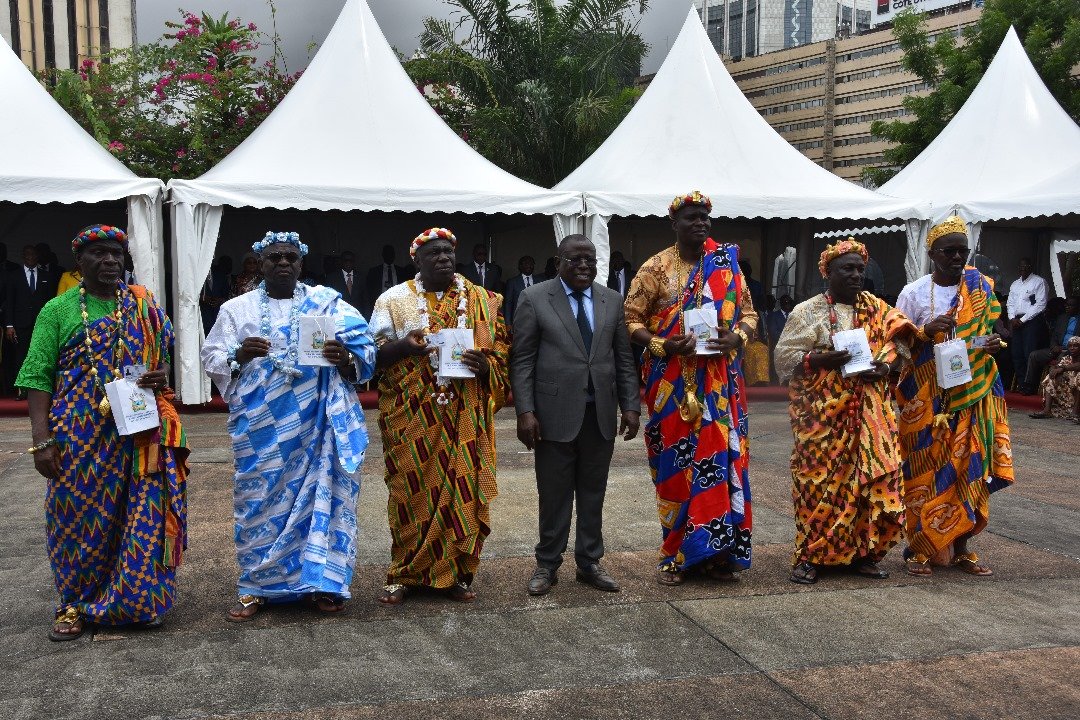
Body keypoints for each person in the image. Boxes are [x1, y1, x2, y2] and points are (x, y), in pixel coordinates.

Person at [17, 224, 187, 640]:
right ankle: (74, 603)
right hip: (78, 435)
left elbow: (164, 364)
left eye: (116, 254)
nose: (110, 261)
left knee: (140, 515)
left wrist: (159, 375)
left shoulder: (144, 309)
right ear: (80, 262)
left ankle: (136, 601)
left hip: (139, 436)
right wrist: (42, 442)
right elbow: (37, 377)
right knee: (75, 518)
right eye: (99, 255)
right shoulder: (56, 311)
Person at [202, 231, 376, 621]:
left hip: (317, 425)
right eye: (275, 257)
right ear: (260, 263)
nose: (283, 263)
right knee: (258, 501)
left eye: (291, 258)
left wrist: (344, 357)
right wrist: (238, 354)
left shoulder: (326, 303)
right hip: (260, 430)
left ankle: (321, 584)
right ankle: (255, 586)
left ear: (301, 265)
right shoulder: (236, 308)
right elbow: (211, 356)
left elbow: (366, 350)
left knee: (323, 497)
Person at [370, 228, 510, 605]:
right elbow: (370, 359)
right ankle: (404, 573)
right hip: (411, 418)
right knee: (407, 494)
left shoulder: (481, 300)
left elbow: (500, 355)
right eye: (433, 253)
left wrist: (485, 366)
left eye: (448, 251)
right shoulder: (393, 300)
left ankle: (458, 574)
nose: (443, 258)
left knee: (463, 490)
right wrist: (403, 347)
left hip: (463, 417)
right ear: (416, 259)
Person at [624, 191, 758, 586]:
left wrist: (739, 338)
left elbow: (749, 312)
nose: (699, 224)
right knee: (676, 468)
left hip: (720, 386)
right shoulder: (655, 269)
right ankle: (676, 553)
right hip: (672, 389)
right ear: (674, 224)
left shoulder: (726, 265)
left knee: (723, 462)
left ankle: (718, 552)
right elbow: (630, 320)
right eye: (691, 218)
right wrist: (662, 344)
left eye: (704, 218)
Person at [774, 240, 914, 585]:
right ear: (828, 272)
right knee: (815, 485)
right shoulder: (807, 312)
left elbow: (903, 346)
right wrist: (817, 360)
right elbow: (783, 359)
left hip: (870, 417)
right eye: (846, 269)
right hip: (821, 418)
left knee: (866, 484)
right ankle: (809, 555)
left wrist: (882, 369)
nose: (854, 275)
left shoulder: (880, 309)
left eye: (859, 269)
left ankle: (862, 555)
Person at [511, 235, 640, 596]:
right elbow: (522, 359)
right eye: (575, 259)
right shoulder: (534, 298)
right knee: (553, 493)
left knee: (593, 492)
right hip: (552, 415)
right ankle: (547, 564)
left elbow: (623, 358)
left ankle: (589, 562)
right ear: (558, 262)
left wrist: (630, 405)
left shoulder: (611, 300)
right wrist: (525, 411)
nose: (584, 265)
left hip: (599, 412)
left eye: (590, 259)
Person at [895, 215, 1013, 577]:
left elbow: (991, 332)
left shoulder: (980, 287)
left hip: (975, 390)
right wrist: (923, 330)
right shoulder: (914, 292)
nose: (957, 258)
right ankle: (920, 547)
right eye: (949, 251)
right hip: (928, 395)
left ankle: (962, 545)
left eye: (963, 251)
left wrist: (993, 342)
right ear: (932, 253)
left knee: (971, 467)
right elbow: (895, 343)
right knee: (926, 469)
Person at [6, 244, 58, 398]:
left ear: (37, 257)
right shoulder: (14, 276)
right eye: (27, 255)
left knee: (42, 356)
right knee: (21, 356)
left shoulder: (46, 276)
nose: (30, 258)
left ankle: (40, 389)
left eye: (33, 255)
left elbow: (50, 302)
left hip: (41, 324)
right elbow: (9, 302)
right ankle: (22, 390)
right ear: (23, 256)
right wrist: (9, 325)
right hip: (20, 324)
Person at [1008, 257, 1050, 394]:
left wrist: (1023, 319)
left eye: (1026, 266)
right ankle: (1021, 384)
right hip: (1016, 321)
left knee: (1029, 353)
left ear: (1031, 267)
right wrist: (1012, 318)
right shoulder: (1015, 284)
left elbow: (1040, 304)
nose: (1023, 269)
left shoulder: (1039, 282)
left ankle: (1030, 385)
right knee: (1017, 353)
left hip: (1032, 321)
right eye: (1021, 266)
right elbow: (1010, 303)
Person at [1023, 295, 1079, 392]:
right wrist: (1054, 346)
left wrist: (1068, 348)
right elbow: (1054, 335)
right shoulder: (1062, 318)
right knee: (1034, 355)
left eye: (1071, 305)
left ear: (1078, 306)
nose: (1067, 307)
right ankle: (1029, 385)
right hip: (1057, 348)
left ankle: (1056, 390)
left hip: (1071, 351)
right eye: (1066, 305)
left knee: (1061, 358)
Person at [1029, 336, 1080, 422]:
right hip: (1067, 392)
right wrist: (1055, 372)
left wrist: (1063, 369)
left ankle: (1075, 412)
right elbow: (1055, 366)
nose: (1072, 348)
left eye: (1075, 346)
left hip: (1076, 392)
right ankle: (1047, 410)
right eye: (1070, 346)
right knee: (1050, 377)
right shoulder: (1067, 358)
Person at [363, 244, 409, 317]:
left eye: (391, 253)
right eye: (387, 253)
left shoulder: (401, 271)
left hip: (397, 306)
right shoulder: (374, 272)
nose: (389, 255)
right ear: (383, 255)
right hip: (380, 307)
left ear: (394, 255)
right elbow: (368, 292)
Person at [502, 255, 538, 327]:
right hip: (519, 321)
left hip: (537, 321)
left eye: (531, 263)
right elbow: (508, 303)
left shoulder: (540, 281)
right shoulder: (512, 282)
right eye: (526, 263)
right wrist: (508, 323)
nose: (529, 265)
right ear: (520, 266)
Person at [200, 255, 232, 331]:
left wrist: (220, 300)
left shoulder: (220, 275)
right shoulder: (196, 275)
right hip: (202, 316)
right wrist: (202, 298)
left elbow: (228, 295)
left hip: (218, 316)